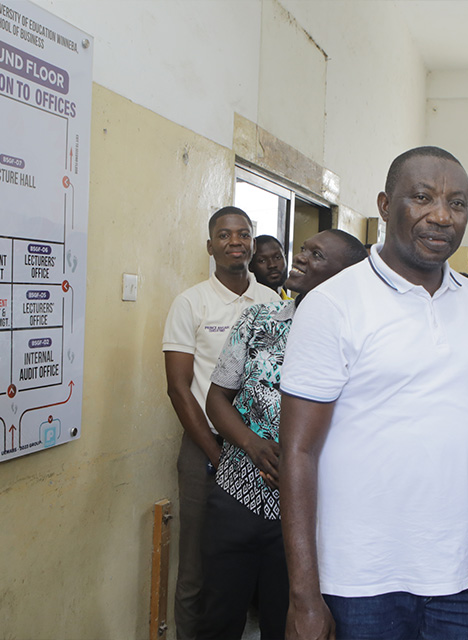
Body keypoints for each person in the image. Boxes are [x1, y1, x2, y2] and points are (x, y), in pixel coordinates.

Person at [279, 146, 468, 640]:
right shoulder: (333, 304)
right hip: (359, 579)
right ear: (385, 204)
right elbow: (298, 450)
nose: (442, 216)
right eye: (422, 197)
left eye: (457, 203)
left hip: (467, 575)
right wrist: (304, 594)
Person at [197, 230, 368, 640]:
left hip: (312, 511)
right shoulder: (259, 320)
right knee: (218, 617)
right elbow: (216, 399)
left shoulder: (360, 338)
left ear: (345, 276)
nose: (301, 257)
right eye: (304, 249)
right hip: (238, 494)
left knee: (286, 621)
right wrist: (252, 445)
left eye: (317, 255)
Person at [162, 206, 280, 640]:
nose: (236, 242)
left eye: (243, 234)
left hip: (265, 456)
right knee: (197, 568)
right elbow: (179, 389)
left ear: (252, 242)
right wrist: (218, 456)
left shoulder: (272, 303)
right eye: (225, 234)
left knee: (261, 563)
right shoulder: (191, 303)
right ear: (209, 245)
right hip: (206, 448)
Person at [250, 234, 290, 299]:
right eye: (262, 261)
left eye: (277, 257)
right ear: (250, 266)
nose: (272, 265)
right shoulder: (245, 303)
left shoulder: (295, 304)